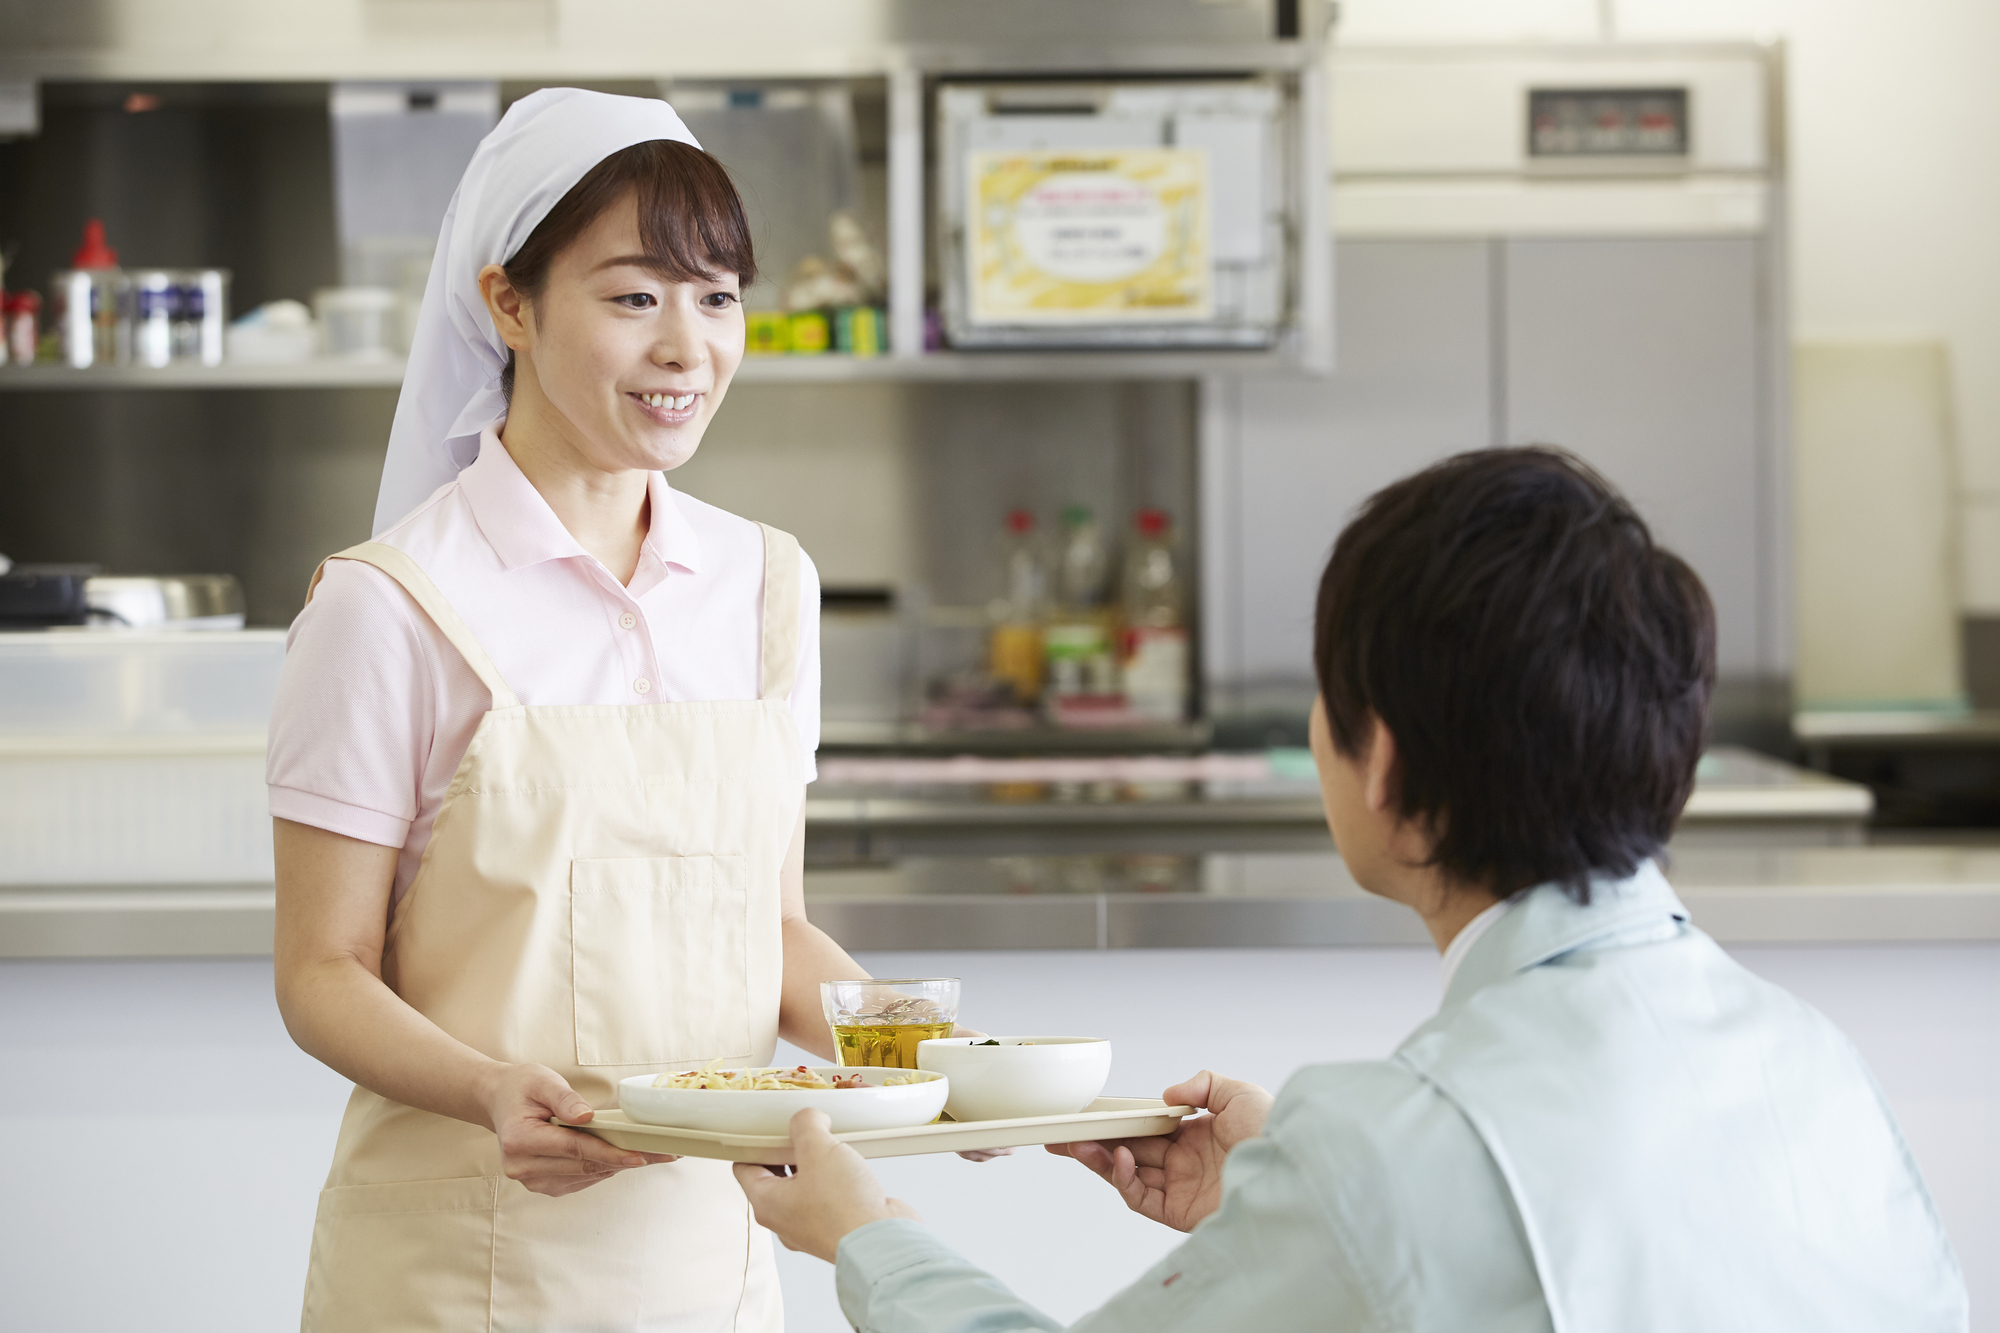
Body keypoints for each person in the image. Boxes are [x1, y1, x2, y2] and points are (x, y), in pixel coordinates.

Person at [736, 448, 1970, 1332]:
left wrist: (862, 1232)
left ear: (1376, 760)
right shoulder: (1807, 1059)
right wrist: (1288, 1202)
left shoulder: (1389, 1152)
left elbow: (1448, 1197)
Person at [268, 89, 924, 1331]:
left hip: (706, 1261)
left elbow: (763, 924)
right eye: (634, 297)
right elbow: (322, 969)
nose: (687, 347)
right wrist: (489, 1090)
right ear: (506, 304)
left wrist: (926, 1063)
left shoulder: (767, 584)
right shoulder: (388, 605)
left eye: (717, 296)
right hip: (460, 1262)